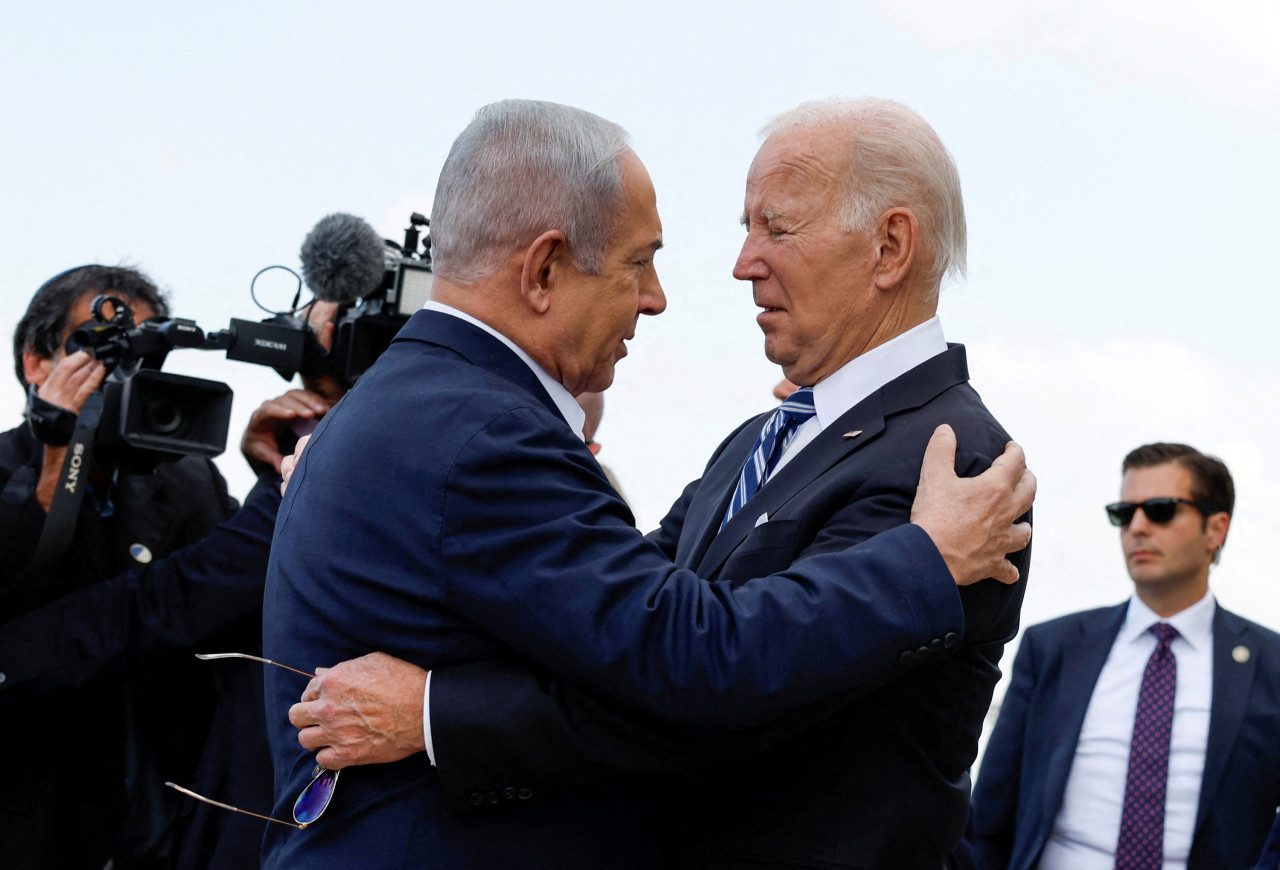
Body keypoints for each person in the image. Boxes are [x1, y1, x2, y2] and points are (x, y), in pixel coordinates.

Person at [267, 97, 1033, 870]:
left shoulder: (958, 473)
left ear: (889, 247)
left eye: (775, 226)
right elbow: (642, 642)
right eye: (746, 229)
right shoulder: (755, 445)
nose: (742, 263)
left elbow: (707, 697)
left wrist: (436, 714)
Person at [0, 282, 343, 869]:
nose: (124, 374)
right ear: (36, 362)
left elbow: (225, 594)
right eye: (103, 350)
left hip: (165, 829)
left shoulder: (189, 483)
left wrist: (281, 465)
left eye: (143, 354)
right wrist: (60, 457)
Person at [964, 443, 1280, 869]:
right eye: (1124, 513)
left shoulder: (1271, 665)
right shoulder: (1053, 648)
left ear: (1216, 529)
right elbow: (988, 818)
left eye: (1161, 510)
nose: (1138, 527)